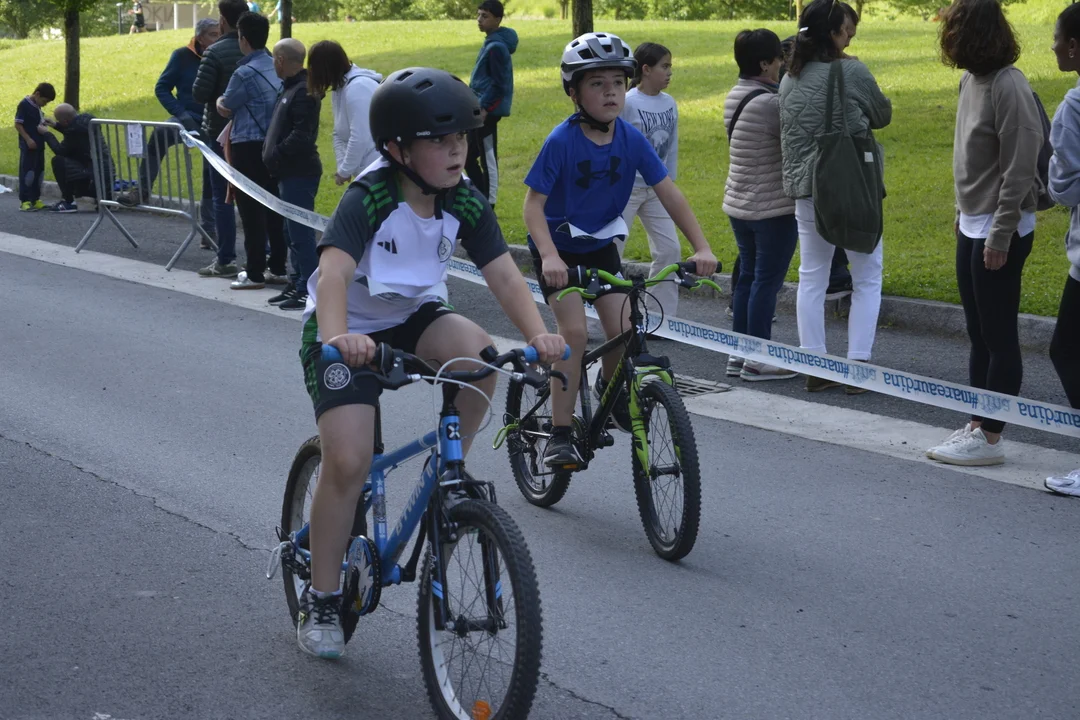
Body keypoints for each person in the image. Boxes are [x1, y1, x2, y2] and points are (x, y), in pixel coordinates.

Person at [295, 67, 565, 658]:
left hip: (413, 315)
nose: (456, 151)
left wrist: (540, 336)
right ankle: (321, 596)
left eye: (461, 138)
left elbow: (502, 275)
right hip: (347, 327)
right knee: (349, 460)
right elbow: (334, 273)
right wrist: (339, 338)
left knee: (482, 356)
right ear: (397, 149)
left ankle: (448, 469)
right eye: (439, 141)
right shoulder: (370, 195)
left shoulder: (463, 197)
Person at [525, 32, 717, 466]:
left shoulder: (630, 138)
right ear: (574, 93)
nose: (611, 92)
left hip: (599, 246)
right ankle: (559, 433)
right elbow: (532, 206)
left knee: (627, 329)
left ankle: (609, 394)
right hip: (559, 250)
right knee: (574, 334)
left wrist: (701, 247)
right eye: (597, 84)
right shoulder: (562, 141)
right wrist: (550, 256)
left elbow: (669, 193)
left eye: (617, 82)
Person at [926, 0, 1043, 467]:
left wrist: (1000, 232)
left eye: (954, 29)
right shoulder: (970, 81)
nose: (947, 39)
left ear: (973, 34)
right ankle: (977, 423)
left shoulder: (1009, 84)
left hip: (1002, 225)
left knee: (998, 336)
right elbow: (969, 156)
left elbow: (1020, 165)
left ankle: (991, 437)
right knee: (977, 332)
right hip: (973, 221)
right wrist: (962, 211)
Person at [779, 0, 891, 394]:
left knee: (812, 276)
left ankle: (815, 364)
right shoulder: (853, 71)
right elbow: (882, 115)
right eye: (847, 32)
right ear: (832, 34)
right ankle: (857, 365)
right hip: (852, 185)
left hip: (807, 190)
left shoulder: (789, 78)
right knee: (867, 275)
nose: (851, 38)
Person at [723, 29, 798, 382]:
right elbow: (798, 139)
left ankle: (738, 353)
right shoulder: (769, 104)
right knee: (766, 283)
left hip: (739, 203)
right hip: (771, 208)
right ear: (765, 63)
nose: (782, 65)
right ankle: (758, 359)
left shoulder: (735, 94)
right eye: (779, 59)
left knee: (748, 279)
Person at [117, 18, 220, 249]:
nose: (218, 38)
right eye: (213, 34)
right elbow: (162, 87)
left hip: (214, 121)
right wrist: (181, 114)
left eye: (219, 34)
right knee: (160, 134)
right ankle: (141, 190)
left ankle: (209, 229)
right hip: (186, 118)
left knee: (212, 170)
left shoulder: (222, 55)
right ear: (200, 37)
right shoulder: (182, 56)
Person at [213, 11, 286, 290]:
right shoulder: (277, 67)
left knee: (251, 210)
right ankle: (278, 266)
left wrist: (219, 101)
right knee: (276, 208)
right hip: (275, 145)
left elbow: (227, 105)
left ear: (243, 39)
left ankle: (254, 272)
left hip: (248, 146)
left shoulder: (243, 72)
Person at [619, 42, 682, 321]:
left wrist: (669, 181)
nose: (669, 73)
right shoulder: (628, 102)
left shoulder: (669, 103)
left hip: (657, 189)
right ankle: (598, 317)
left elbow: (672, 146)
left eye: (670, 67)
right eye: (664, 67)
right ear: (645, 69)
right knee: (610, 251)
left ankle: (659, 318)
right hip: (627, 189)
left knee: (670, 250)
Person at [1046, 2, 1080, 495]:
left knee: (1067, 350)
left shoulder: (1074, 105)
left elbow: (1064, 188)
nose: (1052, 46)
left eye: (1056, 38)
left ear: (1074, 46)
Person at [263, 38, 321, 310]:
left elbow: (302, 134)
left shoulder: (303, 91)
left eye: (274, 59)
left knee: (300, 233)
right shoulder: (290, 88)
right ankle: (297, 281)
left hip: (299, 172)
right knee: (290, 231)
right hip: (287, 172)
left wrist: (276, 153)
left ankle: (309, 289)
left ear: (281, 60)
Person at [192, 0, 248, 278]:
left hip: (218, 132)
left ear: (223, 21)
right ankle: (264, 255)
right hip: (253, 133)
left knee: (223, 197)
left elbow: (199, 93)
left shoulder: (213, 52)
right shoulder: (260, 52)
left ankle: (226, 258)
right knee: (255, 194)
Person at [306, 40, 382, 187]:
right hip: (366, 171)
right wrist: (342, 166)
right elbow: (338, 133)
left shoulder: (357, 88)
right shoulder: (340, 88)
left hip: (377, 168)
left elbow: (360, 137)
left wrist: (345, 170)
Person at [465, 0, 517, 208]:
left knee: (488, 158)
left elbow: (499, 84)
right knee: (467, 156)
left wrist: (485, 108)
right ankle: (480, 197)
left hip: (487, 111)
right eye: (478, 15)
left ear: (498, 19)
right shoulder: (491, 42)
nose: (479, 20)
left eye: (485, 16)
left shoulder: (497, 48)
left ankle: (490, 203)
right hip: (479, 108)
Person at [40, 103, 114, 213]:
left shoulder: (74, 131)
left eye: (59, 121)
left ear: (66, 121)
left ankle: (68, 202)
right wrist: (56, 125)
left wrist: (46, 134)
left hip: (93, 182)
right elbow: (73, 133)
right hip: (105, 178)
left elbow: (60, 150)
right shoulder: (88, 121)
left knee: (58, 161)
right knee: (72, 157)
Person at [14, 82, 55, 212]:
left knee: (39, 172)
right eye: (44, 101)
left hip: (39, 144)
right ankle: (25, 200)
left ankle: (35, 198)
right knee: (28, 173)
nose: (45, 104)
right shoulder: (24, 105)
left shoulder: (37, 107)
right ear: (37, 94)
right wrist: (28, 139)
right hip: (29, 145)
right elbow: (18, 124)